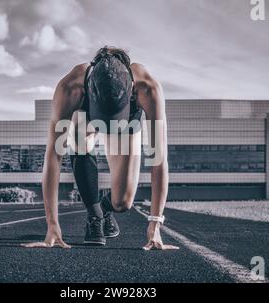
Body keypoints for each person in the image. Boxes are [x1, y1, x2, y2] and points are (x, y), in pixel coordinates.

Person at [22, 46, 179, 250]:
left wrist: (155, 224)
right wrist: (52, 226)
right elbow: (53, 156)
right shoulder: (70, 88)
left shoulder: (148, 88)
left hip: (126, 122)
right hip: (85, 118)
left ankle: (105, 209)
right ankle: (94, 214)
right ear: (88, 87)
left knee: (123, 202)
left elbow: (158, 159)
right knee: (77, 131)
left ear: (132, 87)